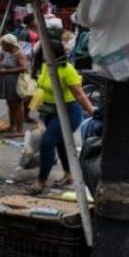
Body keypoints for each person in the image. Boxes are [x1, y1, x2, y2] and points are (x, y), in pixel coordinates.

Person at [28, 39, 96, 195]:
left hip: (68, 111)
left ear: (56, 54)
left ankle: (41, 180)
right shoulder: (45, 66)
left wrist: (93, 112)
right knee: (60, 143)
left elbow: (79, 94)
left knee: (47, 143)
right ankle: (69, 174)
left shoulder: (67, 70)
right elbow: (42, 90)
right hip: (49, 111)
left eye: (47, 52)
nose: (43, 54)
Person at [0, 34, 28, 136]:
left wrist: (7, 71)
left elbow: (23, 68)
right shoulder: (4, 52)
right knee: (10, 104)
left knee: (17, 105)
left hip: (15, 82)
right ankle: (12, 125)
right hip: (6, 81)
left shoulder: (19, 54)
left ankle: (19, 130)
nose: (2, 45)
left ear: (10, 44)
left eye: (4, 44)